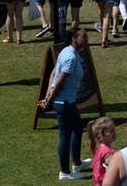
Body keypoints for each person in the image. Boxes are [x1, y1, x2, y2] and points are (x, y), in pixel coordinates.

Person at [38, 28, 92, 180]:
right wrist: (48, 100)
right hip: (64, 102)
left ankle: (77, 163)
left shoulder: (67, 51)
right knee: (65, 136)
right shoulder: (71, 57)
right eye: (84, 36)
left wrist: (48, 96)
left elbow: (53, 74)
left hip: (67, 100)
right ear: (74, 39)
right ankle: (65, 172)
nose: (86, 38)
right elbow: (60, 81)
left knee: (78, 126)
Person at [88, 117, 116, 186]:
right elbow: (111, 173)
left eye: (114, 129)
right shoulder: (108, 153)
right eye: (110, 131)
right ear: (100, 136)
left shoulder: (99, 148)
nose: (114, 132)